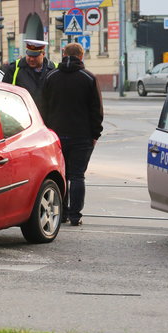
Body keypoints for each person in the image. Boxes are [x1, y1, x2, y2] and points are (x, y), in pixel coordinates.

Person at [40, 42, 104, 227]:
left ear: (63, 54)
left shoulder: (50, 77)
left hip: (55, 135)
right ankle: (75, 215)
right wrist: (95, 134)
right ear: (81, 56)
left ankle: (62, 213)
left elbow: (43, 107)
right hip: (81, 135)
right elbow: (96, 111)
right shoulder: (89, 78)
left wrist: (46, 131)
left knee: (61, 174)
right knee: (77, 176)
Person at [1, 39, 57, 109]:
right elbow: (4, 93)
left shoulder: (54, 69)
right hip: (22, 115)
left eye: (35, 56)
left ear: (43, 54)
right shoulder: (15, 68)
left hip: (46, 117)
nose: (31, 59)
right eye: (29, 55)